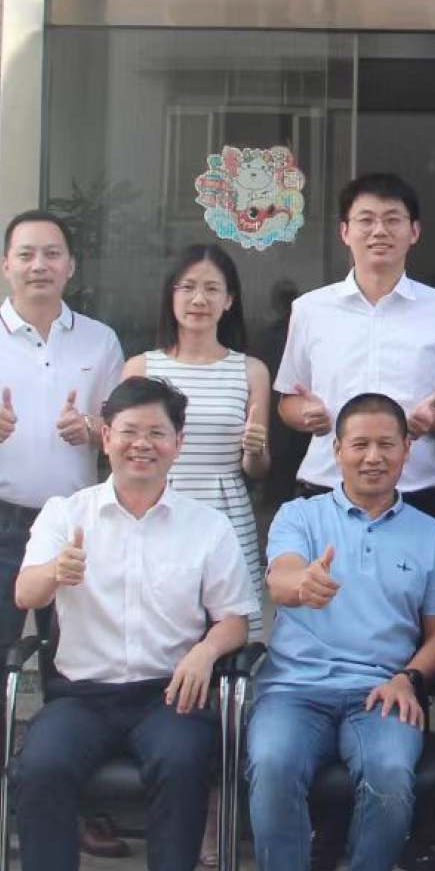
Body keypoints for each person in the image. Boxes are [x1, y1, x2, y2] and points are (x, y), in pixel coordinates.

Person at [6, 376, 256, 871]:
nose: (142, 444)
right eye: (129, 432)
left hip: (167, 692)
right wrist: (56, 573)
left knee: (182, 762)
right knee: (40, 766)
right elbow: (24, 593)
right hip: (83, 695)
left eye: (157, 433)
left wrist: (205, 652)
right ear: (105, 437)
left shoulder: (207, 526)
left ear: (178, 443)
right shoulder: (67, 514)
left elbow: (235, 619)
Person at [237, 393, 435, 871]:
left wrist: (410, 678)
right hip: (295, 687)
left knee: (390, 775)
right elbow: (282, 576)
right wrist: (302, 584)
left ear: (408, 450)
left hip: (383, 690)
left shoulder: (433, 536)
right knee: (273, 763)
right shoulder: (300, 516)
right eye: (359, 444)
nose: (372, 457)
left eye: (386, 444)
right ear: (335, 451)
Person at [0, 209, 124, 869]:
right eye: (26, 254)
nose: (39, 265)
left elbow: (120, 430)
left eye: (51, 254)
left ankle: (78, 806)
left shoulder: (100, 341)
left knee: (76, 672)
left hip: (74, 528)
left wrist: (92, 431)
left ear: (70, 265)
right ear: (6, 265)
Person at [274, 172, 435, 510]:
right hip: (326, 485)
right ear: (345, 231)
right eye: (366, 220)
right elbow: (288, 402)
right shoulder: (310, 309)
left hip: (415, 488)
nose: (379, 231)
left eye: (392, 220)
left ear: (414, 231)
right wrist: (306, 415)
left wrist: (433, 421)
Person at [122, 243, 271, 637]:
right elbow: (123, 451)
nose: (199, 299)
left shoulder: (250, 371)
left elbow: (257, 468)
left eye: (211, 288)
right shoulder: (142, 367)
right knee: (157, 625)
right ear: (171, 295)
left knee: (229, 623)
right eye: (187, 287)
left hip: (226, 507)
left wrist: (255, 449)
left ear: (229, 299)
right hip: (157, 507)